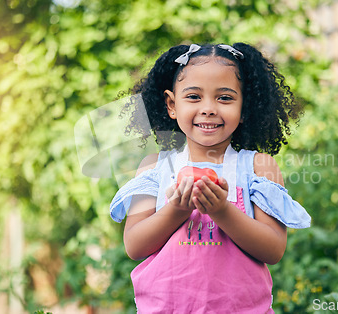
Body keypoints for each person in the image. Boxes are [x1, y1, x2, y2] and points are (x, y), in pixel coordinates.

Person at [110, 43, 311, 313]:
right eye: (193, 96)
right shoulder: (154, 168)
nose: (208, 108)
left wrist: (222, 211)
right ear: (171, 104)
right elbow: (134, 245)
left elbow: (273, 249)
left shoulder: (258, 167)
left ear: (244, 106)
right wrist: (178, 209)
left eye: (225, 98)